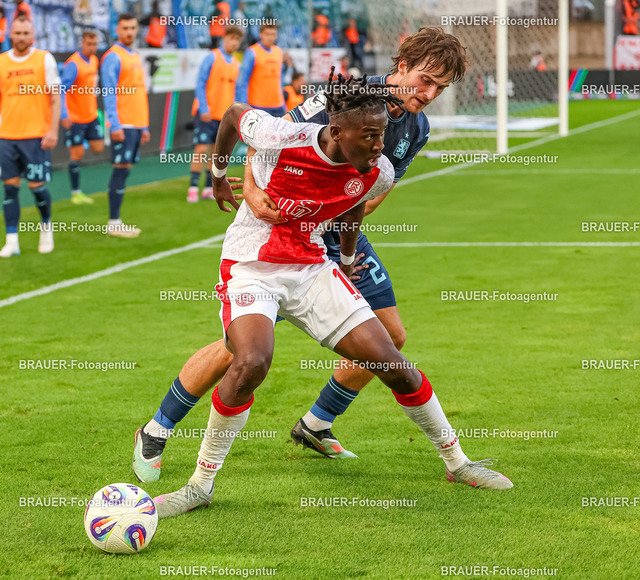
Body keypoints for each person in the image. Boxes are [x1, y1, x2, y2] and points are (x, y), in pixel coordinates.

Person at [152, 73, 512, 517]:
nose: (380, 146)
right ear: (337, 132)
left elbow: (354, 203)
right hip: (253, 263)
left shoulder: (377, 169)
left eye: (382, 135)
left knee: (392, 361)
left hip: (312, 266)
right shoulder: (281, 136)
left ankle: (458, 462)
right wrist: (220, 176)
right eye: (370, 136)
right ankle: (199, 486)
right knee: (251, 361)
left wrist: (345, 257)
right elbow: (231, 115)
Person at [0, 16, 60, 258]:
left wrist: (53, 130)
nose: (21, 37)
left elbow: (55, 98)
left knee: (37, 188)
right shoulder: (1, 62)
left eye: (26, 33)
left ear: (32, 35)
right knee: (9, 189)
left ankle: (46, 229)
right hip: (6, 137)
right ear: (10, 34)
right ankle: (11, 241)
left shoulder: (44, 59)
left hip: (36, 137)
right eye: (17, 33)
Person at [100, 13, 150, 238]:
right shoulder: (113, 56)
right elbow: (109, 92)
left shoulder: (135, 55)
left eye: (132, 28)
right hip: (123, 123)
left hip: (136, 123)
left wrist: (144, 125)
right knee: (120, 169)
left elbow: (140, 91)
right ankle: (114, 222)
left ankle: (116, 221)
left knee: (126, 169)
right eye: (125, 28)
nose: (129, 32)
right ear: (117, 30)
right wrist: (114, 124)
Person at [187, 25, 242, 203]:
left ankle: (208, 188)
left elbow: (237, 92)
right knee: (200, 149)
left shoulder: (236, 64)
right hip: (207, 114)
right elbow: (200, 83)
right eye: (231, 38)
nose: (234, 43)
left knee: (215, 153)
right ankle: (193, 188)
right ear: (224, 38)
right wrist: (204, 108)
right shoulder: (212, 57)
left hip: (223, 116)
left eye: (237, 40)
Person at [60, 31, 103, 205]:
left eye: (95, 44)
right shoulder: (73, 64)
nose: (92, 48)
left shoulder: (94, 60)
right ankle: (76, 193)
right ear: (82, 44)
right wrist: (64, 114)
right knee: (77, 154)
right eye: (89, 44)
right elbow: (61, 90)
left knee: (98, 148)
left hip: (91, 115)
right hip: (76, 118)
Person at [235, 23, 286, 117]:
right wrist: (243, 106)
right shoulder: (252, 52)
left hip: (277, 105)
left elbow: (280, 80)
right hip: (258, 105)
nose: (270, 37)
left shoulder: (278, 51)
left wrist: (283, 103)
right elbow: (243, 81)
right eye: (267, 34)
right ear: (261, 34)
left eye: (273, 34)